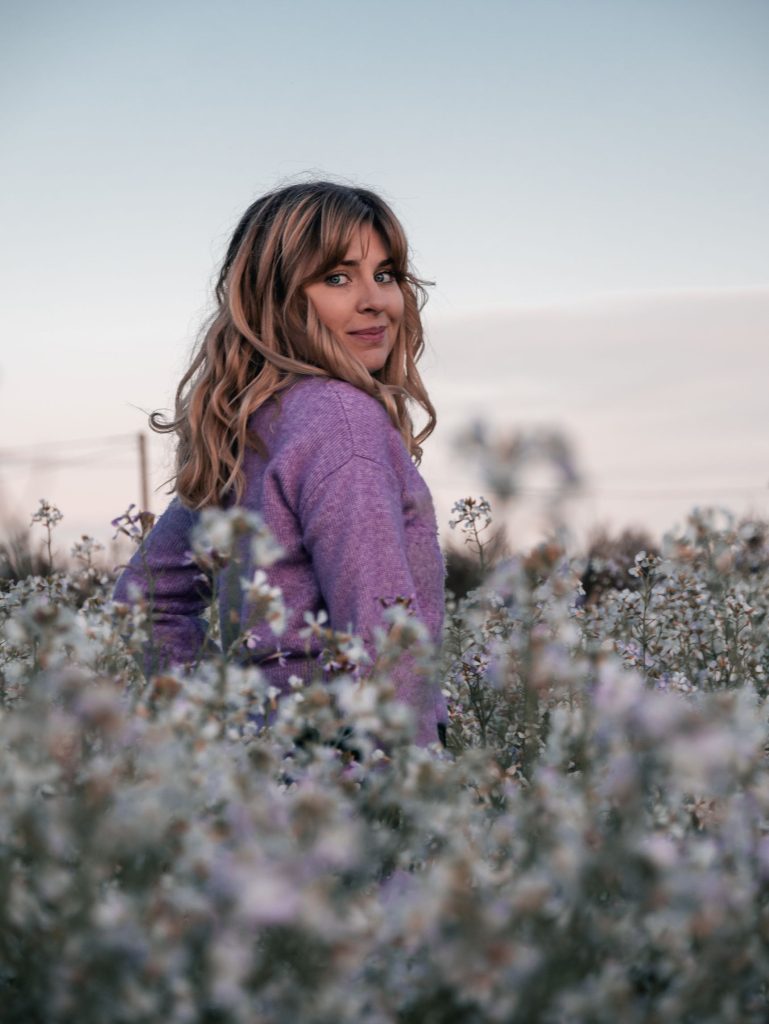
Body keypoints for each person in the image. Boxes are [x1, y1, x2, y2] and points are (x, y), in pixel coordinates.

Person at [113, 181, 447, 746]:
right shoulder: (343, 421)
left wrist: (206, 735)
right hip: (349, 777)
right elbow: (382, 636)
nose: (375, 300)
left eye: (385, 274)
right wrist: (414, 801)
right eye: (337, 278)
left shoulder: (251, 428)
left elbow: (143, 598)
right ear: (278, 298)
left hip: (264, 778)